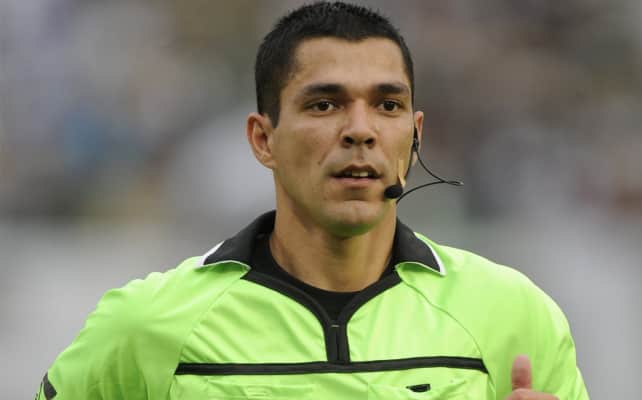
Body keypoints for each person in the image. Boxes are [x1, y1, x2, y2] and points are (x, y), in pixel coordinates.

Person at [35, 2, 589, 399]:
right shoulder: (147, 326)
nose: (361, 130)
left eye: (388, 105)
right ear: (263, 139)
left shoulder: (513, 316)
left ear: (416, 135)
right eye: (325, 105)